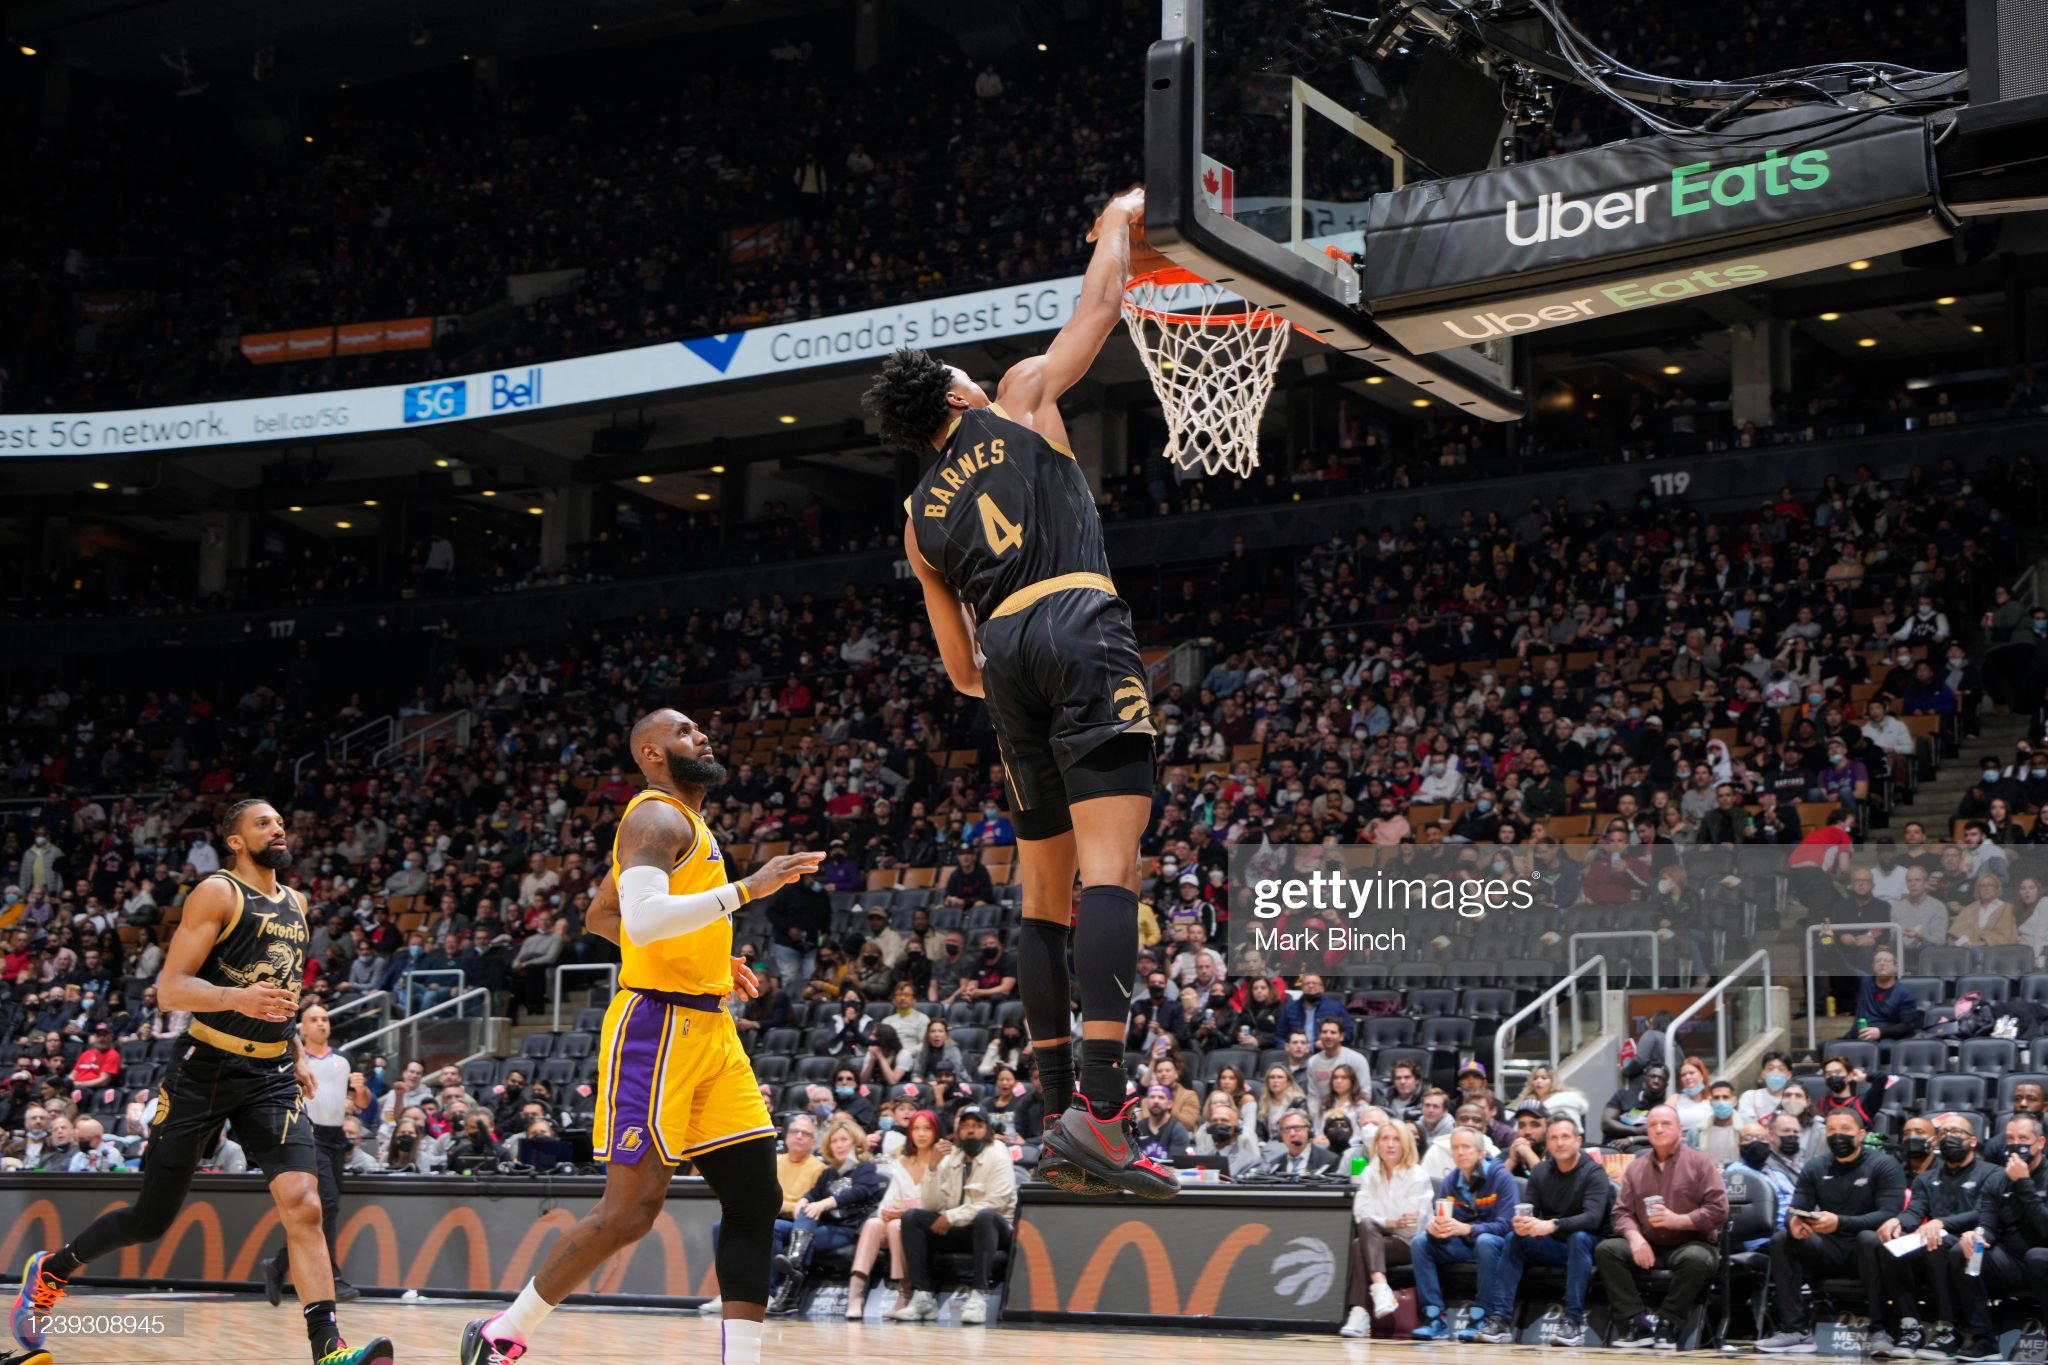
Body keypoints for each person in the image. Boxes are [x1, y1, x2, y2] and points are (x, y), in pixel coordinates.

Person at [871, 186, 1171, 1199]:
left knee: (1043, 892)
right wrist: (1113, 228)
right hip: (1079, 622)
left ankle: (1052, 1115)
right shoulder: (1015, 399)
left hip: (1002, 661)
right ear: (956, 397)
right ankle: (1103, 1110)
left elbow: (955, 672)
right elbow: (1098, 311)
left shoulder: (917, 523)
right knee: (1111, 868)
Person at [459, 709, 820, 1365]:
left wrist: (708, 959)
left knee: (756, 1196)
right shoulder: (653, 817)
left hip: (710, 1023)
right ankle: (503, 1330)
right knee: (630, 1211)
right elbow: (646, 921)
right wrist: (751, 887)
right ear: (653, 753)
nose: (702, 735)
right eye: (685, 731)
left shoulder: (688, 823)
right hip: (656, 1026)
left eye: (700, 729)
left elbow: (605, 914)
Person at [11, 801, 392, 1365]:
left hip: (271, 1076)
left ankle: (328, 1350)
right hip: (205, 1070)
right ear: (235, 841)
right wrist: (237, 998)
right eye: (263, 822)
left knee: (305, 1205)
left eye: (281, 820)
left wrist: (294, 1048)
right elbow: (169, 990)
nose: (278, 827)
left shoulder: (297, 904)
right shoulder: (217, 893)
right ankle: (52, 1270)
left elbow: (278, 992)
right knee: (150, 1220)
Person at [1755, 1108, 1907, 1354]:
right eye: (1832, 1130)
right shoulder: (1815, 1166)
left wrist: (1841, 1222)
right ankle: (1796, 1330)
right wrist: (1793, 1223)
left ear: (1861, 1135)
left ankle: (1881, 1329)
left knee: (1869, 1239)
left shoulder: (1884, 1165)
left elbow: (1889, 1214)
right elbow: (1796, 1209)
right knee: (1783, 1239)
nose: (1838, 1136)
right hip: (1828, 1248)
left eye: (1845, 1130)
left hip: (1867, 1249)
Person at [261, 1003, 373, 1306]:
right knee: (328, 1204)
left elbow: (361, 1102)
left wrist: (361, 1090)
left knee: (323, 1209)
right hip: (308, 1135)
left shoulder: (344, 1059)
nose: (321, 1024)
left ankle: (279, 1265)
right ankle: (332, 1278)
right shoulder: (295, 1060)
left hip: (336, 1137)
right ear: (303, 1028)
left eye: (325, 1019)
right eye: (314, 1019)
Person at [1594, 1105, 1730, 1350]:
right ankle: (1637, 1324)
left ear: (1680, 1129)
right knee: (1607, 1250)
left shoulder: (1700, 1163)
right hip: (1649, 1244)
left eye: (1666, 1123)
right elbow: (1622, 1212)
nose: (1658, 1129)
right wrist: (1635, 1238)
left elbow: (1719, 1210)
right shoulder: (1635, 1167)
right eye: (1653, 1124)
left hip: (1691, 1242)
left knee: (1697, 1258)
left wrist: (1680, 1220)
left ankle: (1669, 1323)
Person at [1485, 1116, 1613, 1347]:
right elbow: (1532, 1213)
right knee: (1515, 1238)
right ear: (1548, 1143)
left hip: (1592, 1245)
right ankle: (1500, 1320)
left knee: (1579, 1238)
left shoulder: (1594, 1172)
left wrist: (1552, 1224)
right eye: (1554, 1137)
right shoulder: (1541, 1172)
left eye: (1565, 1137)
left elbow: (1592, 1219)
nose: (1560, 1143)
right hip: (1555, 1244)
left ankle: (1572, 1323)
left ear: (1578, 1141)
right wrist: (1524, 1225)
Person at [1878, 1112, 1991, 1359]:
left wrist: (1942, 1223)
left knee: (1937, 1242)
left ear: (1973, 1141)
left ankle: (1948, 1328)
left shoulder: (1991, 1173)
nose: (1949, 1137)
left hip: (1979, 1247)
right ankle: (1911, 1326)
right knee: (1889, 1246)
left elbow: (1984, 1213)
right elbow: (1915, 1212)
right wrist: (1897, 1220)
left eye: (1957, 1132)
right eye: (1943, 1134)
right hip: (1937, 1244)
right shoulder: (1927, 1178)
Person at [896, 1106, 1017, 1325]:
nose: (971, 1131)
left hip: (996, 1232)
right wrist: (932, 1167)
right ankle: (923, 1296)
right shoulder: (952, 1156)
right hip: (962, 1230)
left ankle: (979, 1296)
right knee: (912, 1217)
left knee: (986, 1216)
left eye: (977, 1126)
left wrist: (951, 1217)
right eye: (966, 1126)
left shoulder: (998, 1152)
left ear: (988, 1131)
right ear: (958, 1131)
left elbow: (997, 1201)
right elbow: (932, 1204)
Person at [1953, 1113, 2048, 1362]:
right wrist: (1977, 1235)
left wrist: (2024, 1184)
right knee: (1965, 1253)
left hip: (2043, 1257)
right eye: (2011, 1138)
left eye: (2023, 1138)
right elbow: (1988, 1224)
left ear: (2040, 1143)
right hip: (2013, 1263)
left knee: (2038, 1256)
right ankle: (1983, 1339)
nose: (2016, 1144)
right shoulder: (1997, 1179)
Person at [766, 1115, 884, 1316]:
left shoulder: (865, 1168)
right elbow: (813, 1194)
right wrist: (804, 1200)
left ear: (856, 1142)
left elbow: (859, 1192)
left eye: (843, 1140)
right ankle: (772, 1291)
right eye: (834, 1140)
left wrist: (823, 1204)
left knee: (806, 1234)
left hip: (846, 1229)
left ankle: (790, 1293)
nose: (838, 1145)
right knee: (775, 1227)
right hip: (818, 1227)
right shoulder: (829, 1173)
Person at [1409, 1127, 1518, 1341]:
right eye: (1455, 1148)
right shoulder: (1451, 1181)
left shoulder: (1501, 1178)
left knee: (1485, 1241)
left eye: (1466, 1147)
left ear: (1480, 1152)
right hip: (1463, 1242)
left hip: (1496, 1245)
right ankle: (1434, 1317)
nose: (1460, 1152)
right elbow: (1445, 1219)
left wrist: (1470, 1229)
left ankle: (1482, 1317)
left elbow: (1508, 1225)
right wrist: (1436, 1228)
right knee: (1421, 1242)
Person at [846, 1108, 942, 1321]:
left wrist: (905, 1212)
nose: (921, 1134)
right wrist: (887, 1212)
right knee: (873, 1223)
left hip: (928, 1226)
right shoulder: (902, 1162)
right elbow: (889, 1201)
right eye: (916, 1129)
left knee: (897, 1225)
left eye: (927, 1128)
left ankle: (905, 1293)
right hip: (898, 1221)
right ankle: (856, 1294)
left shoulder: (943, 1160)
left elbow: (942, 1203)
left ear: (936, 1132)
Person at [1342, 1119, 1433, 1337]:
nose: (1390, 1145)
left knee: (1362, 1239)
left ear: (1405, 1145)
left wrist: (1382, 1223)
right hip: (1377, 1239)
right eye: (1385, 1139)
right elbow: (1361, 1213)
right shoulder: (1368, 1173)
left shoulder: (1417, 1175)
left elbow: (1411, 1227)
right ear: (1377, 1144)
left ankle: (1361, 1311)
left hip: (1411, 1244)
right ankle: (1376, 1293)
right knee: (1360, 1237)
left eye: (1396, 1139)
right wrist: (1391, 1222)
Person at [1727, 1122, 1797, 1251]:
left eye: (1760, 1138)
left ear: (1769, 1144)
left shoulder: (1777, 1173)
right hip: (1765, 1239)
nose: (1755, 1142)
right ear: (1739, 1145)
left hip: (1794, 1229)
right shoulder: (1735, 1174)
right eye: (1748, 1138)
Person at [1263, 1109, 1339, 1178]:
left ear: (1309, 1131)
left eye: (1297, 1128)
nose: (1292, 1134)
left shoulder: (1329, 1160)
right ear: (1281, 1135)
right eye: (1287, 1129)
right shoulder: (1275, 1164)